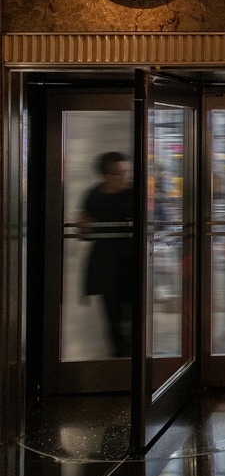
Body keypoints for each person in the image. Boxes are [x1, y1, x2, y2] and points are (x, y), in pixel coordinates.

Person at [79, 151, 135, 358]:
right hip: (106, 265)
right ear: (106, 176)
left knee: (132, 312)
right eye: (119, 173)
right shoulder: (93, 197)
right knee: (113, 314)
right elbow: (86, 235)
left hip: (131, 263)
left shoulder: (133, 194)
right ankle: (119, 356)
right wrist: (84, 228)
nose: (125, 177)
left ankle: (132, 354)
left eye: (126, 172)